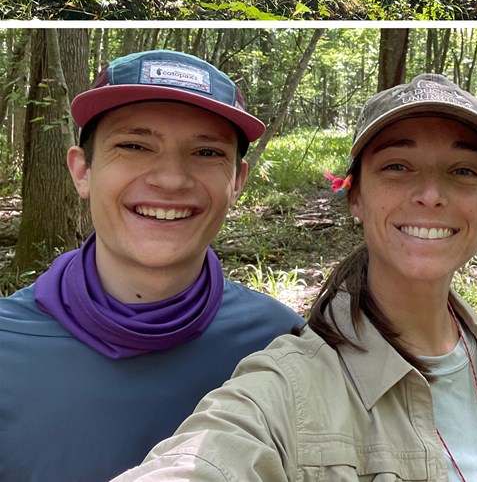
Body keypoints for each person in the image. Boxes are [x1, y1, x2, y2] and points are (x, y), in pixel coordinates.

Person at [111, 73, 477, 482]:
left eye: (463, 171)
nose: (431, 194)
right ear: (356, 198)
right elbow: (208, 459)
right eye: (397, 166)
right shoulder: (286, 389)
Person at [0, 48, 300, 482]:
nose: (171, 178)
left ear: (237, 181)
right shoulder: (8, 345)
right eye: (135, 146)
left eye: (207, 153)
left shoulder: (280, 345)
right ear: (82, 171)